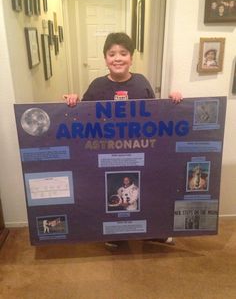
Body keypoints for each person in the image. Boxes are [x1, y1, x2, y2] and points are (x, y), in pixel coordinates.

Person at [64, 32, 182, 249]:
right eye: (112, 54)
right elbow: (82, 115)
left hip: (139, 150)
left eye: (123, 53)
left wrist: (174, 101)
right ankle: (114, 233)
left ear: (132, 57)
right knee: (110, 191)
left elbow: (157, 115)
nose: (117, 58)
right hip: (106, 151)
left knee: (144, 192)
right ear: (105, 58)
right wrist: (73, 100)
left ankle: (151, 233)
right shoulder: (97, 85)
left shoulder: (142, 83)